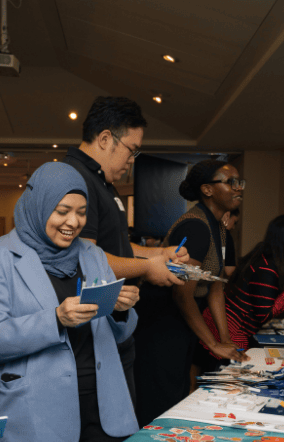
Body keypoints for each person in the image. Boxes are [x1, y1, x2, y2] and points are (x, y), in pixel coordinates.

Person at [0, 162, 140, 442]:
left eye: (80, 212)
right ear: (40, 205)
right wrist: (55, 319)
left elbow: (118, 333)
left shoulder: (91, 254)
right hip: (40, 412)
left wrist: (121, 312)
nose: (73, 222)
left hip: (103, 406)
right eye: (62, 211)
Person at [63, 96, 189, 414]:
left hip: (114, 322)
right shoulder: (76, 180)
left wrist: (159, 252)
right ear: (106, 138)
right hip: (88, 331)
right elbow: (84, 258)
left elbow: (116, 247)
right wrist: (148, 269)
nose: (132, 159)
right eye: (132, 150)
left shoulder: (102, 181)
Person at [134, 160, 247, 425]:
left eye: (239, 182)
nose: (238, 188)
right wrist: (213, 343)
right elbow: (182, 295)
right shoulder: (195, 227)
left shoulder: (220, 229)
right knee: (159, 401)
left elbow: (216, 286)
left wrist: (226, 339)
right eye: (230, 182)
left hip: (181, 319)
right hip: (160, 320)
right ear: (207, 189)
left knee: (177, 392)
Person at [195, 214, 284, 373]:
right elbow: (263, 315)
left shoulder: (264, 257)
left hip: (221, 327)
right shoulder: (267, 268)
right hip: (228, 334)